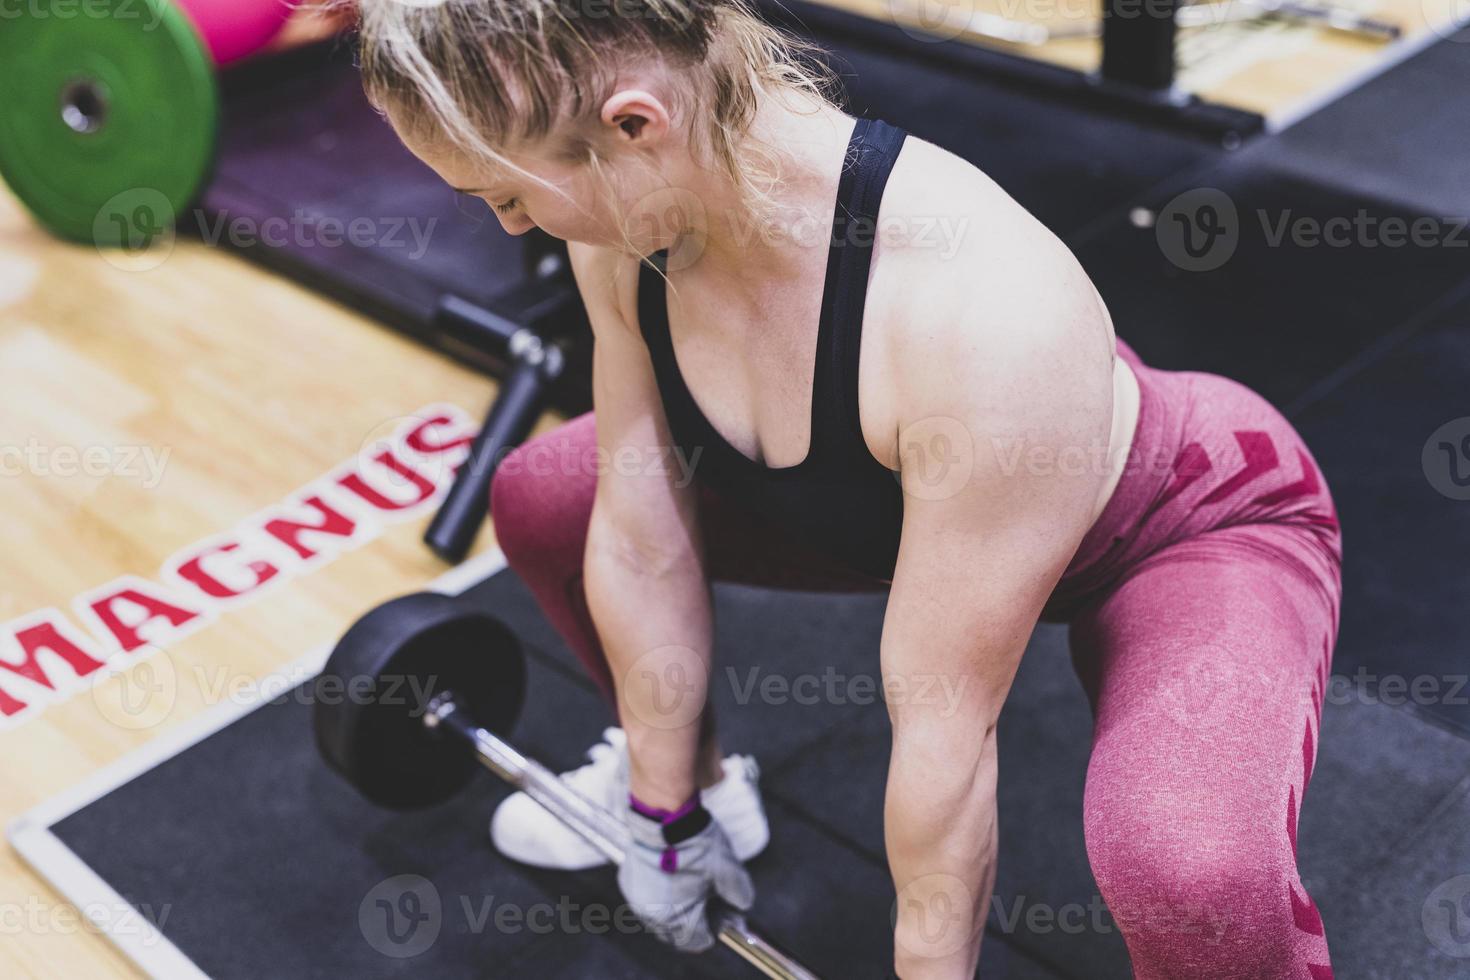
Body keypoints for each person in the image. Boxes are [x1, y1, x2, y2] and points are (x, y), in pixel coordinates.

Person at [350, 0, 1343, 975]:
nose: (512, 224)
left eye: (508, 198)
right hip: (910, 503)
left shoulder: (976, 309)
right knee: (547, 496)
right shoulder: (620, 230)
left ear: (634, 126)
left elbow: (945, 723)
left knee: (1188, 872)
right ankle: (703, 785)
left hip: (1182, 515)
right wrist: (663, 812)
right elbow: (642, 532)